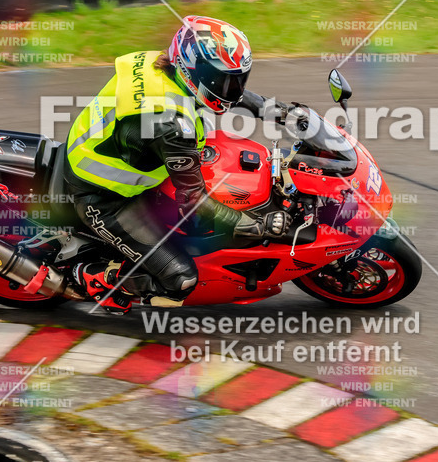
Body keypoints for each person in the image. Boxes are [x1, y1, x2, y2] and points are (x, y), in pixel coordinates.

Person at [63, 16, 290, 313]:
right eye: (227, 81)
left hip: (99, 147)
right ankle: (94, 276)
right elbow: (193, 203)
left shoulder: (160, 65)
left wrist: (270, 109)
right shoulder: (170, 125)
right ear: (197, 73)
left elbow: (223, 93)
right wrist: (255, 226)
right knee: (181, 278)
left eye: (238, 80)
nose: (233, 88)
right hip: (102, 198)